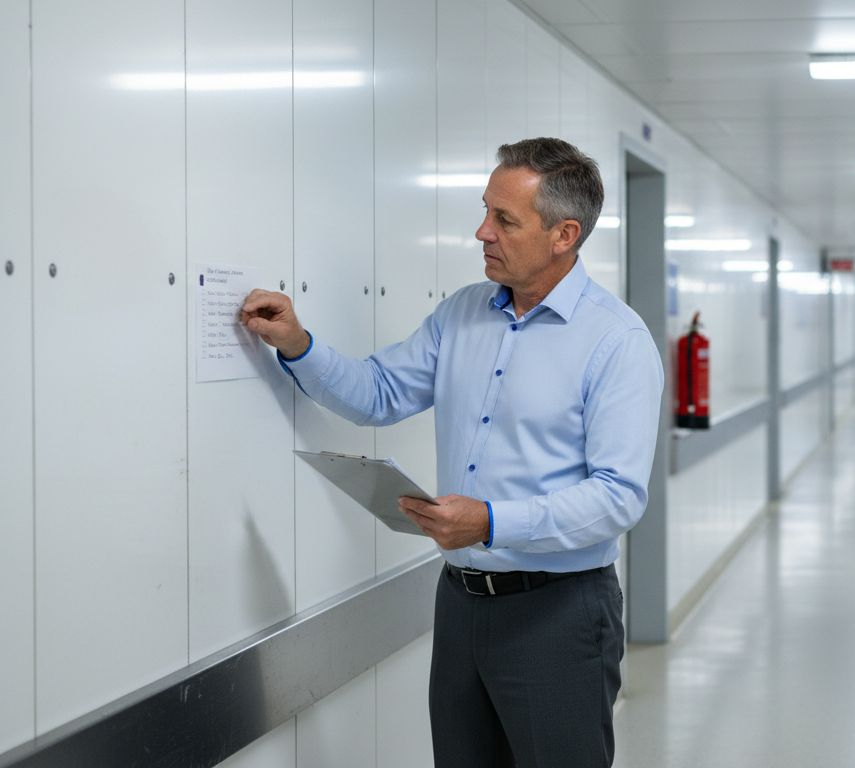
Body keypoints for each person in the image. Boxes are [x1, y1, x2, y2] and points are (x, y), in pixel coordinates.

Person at [239, 137, 664, 767]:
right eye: (485, 211)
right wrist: (299, 343)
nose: (481, 232)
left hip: (560, 613)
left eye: (504, 219)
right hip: (462, 604)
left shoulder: (617, 342)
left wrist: (490, 520)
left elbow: (617, 497)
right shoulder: (463, 313)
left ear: (564, 234)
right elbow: (379, 393)